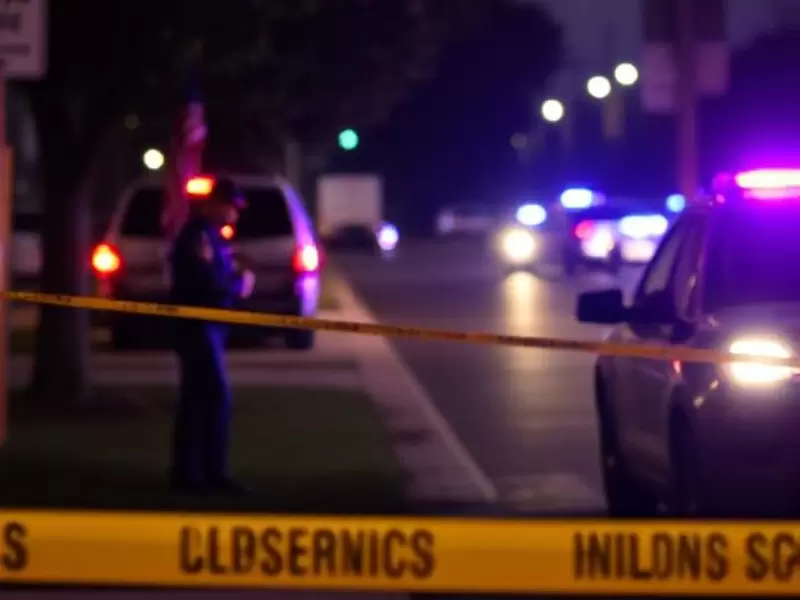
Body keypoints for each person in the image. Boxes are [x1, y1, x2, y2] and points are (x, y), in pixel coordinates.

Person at [168, 177, 256, 493]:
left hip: (208, 326)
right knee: (216, 397)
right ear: (213, 204)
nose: (234, 214)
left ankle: (188, 474)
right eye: (231, 207)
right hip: (198, 327)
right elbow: (205, 283)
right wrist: (239, 286)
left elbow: (214, 276)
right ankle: (211, 473)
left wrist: (234, 274)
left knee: (195, 400)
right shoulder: (199, 235)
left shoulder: (211, 236)